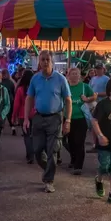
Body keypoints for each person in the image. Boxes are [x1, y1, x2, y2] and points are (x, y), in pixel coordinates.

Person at [23, 50, 72, 193]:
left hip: (55, 118)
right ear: (39, 62)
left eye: (47, 60)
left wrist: (67, 120)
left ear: (52, 62)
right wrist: (26, 118)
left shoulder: (60, 79)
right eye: (42, 59)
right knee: (37, 150)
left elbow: (68, 100)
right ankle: (49, 169)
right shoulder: (35, 79)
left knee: (53, 150)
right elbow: (29, 98)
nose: (45, 62)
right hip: (38, 118)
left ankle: (49, 180)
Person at [66, 67, 95, 175]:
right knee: (70, 142)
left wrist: (87, 99)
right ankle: (73, 159)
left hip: (81, 118)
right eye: (72, 74)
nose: (74, 75)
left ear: (80, 76)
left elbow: (94, 96)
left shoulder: (84, 86)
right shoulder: (66, 87)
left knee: (79, 142)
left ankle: (78, 166)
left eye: (76, 74)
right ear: (68, 75)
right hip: (68, 119)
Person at [13, 69, 35, 163]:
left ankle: (30, 155)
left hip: (23, 115)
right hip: (35, 114)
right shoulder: (35, 88)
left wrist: (14, 116)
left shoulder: (20, 89)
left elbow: (16, 104)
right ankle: (33, 153)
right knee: (33, 135)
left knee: (27, 135)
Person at [0, 69, 16, 135]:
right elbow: (13, 91)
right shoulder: (11, 82)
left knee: (2, 115)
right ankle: (13, 128)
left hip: (2, 100)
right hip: (10, 100)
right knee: (10, 116)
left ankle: (1, 129)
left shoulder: (0, 83)